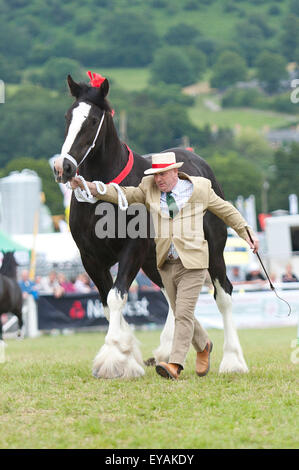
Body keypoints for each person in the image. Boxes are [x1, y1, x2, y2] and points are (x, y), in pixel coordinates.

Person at [70, 152, 259, 380]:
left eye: (161, 174)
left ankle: (174, 364)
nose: (158, 179)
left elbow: (226, 211)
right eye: (154, 174)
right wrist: (90, 187)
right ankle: (203, 345)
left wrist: (246, 232)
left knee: (183, 313)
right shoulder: (149, 190)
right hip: (166, 263)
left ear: (174, 172)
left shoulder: (199, 188)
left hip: (193, 262)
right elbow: (123, 194)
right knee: (179, 309)